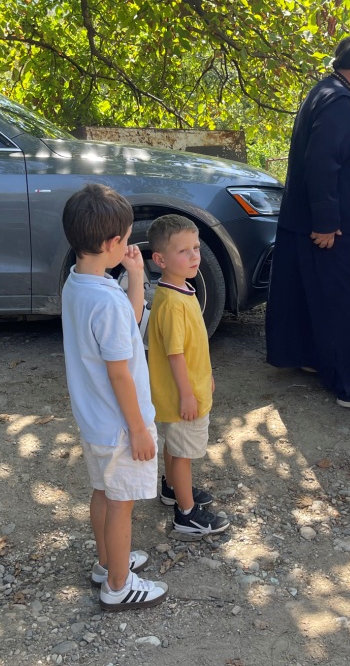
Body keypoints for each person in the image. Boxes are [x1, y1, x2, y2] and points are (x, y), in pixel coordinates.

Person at [266, 35, 350, 410]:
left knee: (320, 298)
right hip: (347, 228)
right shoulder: (339, 101)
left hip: (348, 220)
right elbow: (322, 162)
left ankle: (316, 359)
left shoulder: (330, 92)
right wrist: (325, 221)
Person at [60, 183, 167, 611]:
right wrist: (139, 429)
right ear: (111, 243)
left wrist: (136, 276)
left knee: (103, 492)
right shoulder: (105, 301)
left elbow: (130, 323)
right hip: (122, 426)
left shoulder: (78, 284)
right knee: (121, 504)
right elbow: (120, 371)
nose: (127, 245)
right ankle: (119, 586)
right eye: (124, 239)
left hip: (96, 422)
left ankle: (107, 565)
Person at [146, 214, 230, 536]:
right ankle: (186, 514)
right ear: (160, 260)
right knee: (183, 453)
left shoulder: (182, 289)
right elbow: (175, 353)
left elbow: (192, 346)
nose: (195, 256)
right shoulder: (172, 303)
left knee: (175, 444)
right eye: (184, 251)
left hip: (189, 387)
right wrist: (187, 394)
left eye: (196, 247)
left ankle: (172, 488)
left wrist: (205, 375)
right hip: (184, 395)